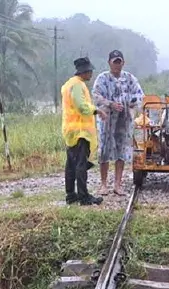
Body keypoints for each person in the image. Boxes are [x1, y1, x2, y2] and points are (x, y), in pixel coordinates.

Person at [91, 50, 144, 196]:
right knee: (105, 150)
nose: (117, 65)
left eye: (119, 62)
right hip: (107, 121)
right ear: (109, 63)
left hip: (124, 121)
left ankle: (118, 184)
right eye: (114, 62)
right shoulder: (102, 78)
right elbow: (96, 96)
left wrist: (129, 102)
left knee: (121, 150)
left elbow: (139, 95)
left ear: (123, 62)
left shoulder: (130, 78)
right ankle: (103, 184)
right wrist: (110, 104)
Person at [61, 57, 107, 205]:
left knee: (71, 164)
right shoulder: (77, 85)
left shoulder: (68, 84)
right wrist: (96, 110)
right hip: (80, 131)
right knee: (81, 164)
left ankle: (71, 194)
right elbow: (81, 106)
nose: (91, 73)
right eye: (90, 71)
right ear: (84, 72)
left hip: (70, 130)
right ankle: (83, 196)